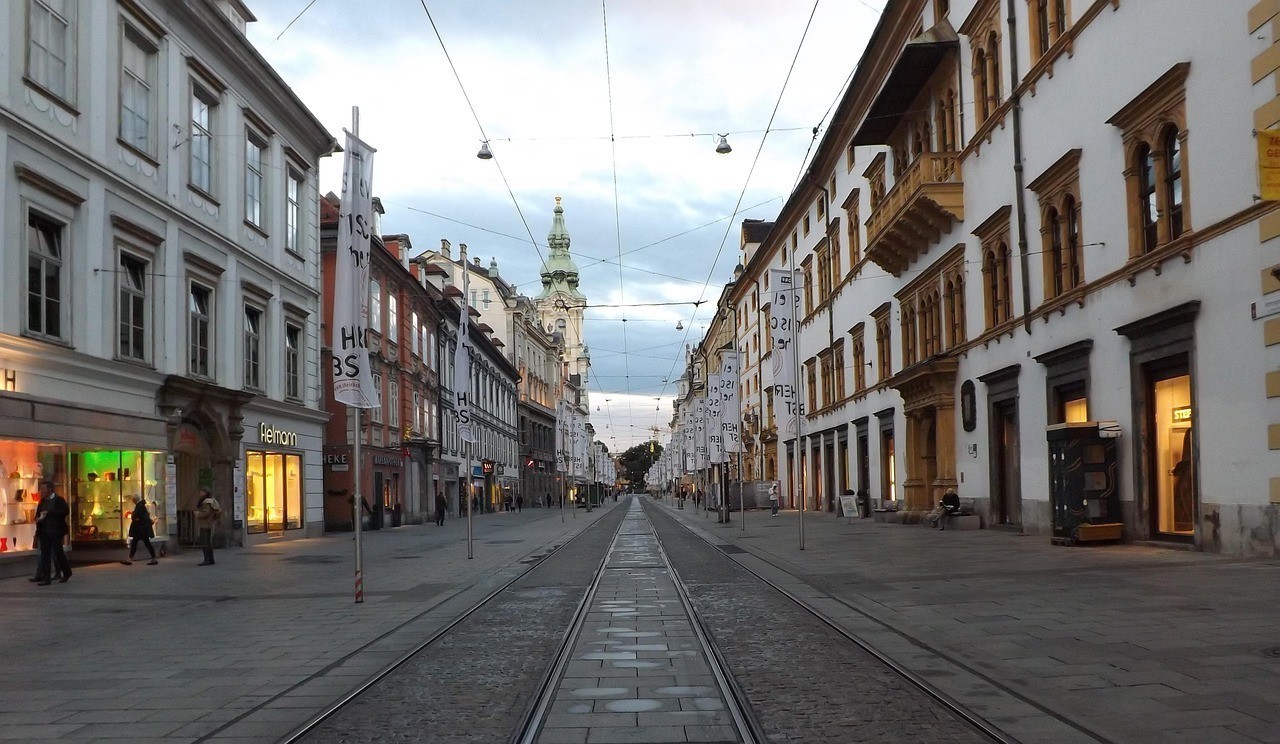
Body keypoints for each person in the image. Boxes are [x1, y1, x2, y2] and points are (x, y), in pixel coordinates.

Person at [33, 479, 71, 585]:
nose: (41, 491)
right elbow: (37, 515)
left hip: (56, 531)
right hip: (44, 531)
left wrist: (50, 512)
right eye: (41, 489)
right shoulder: (42, 501)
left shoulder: (59, 500)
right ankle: (46, 578)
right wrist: (38, 519)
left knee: (58, 552)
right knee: (45, 554)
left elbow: (65, 512)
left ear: (50, 489)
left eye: (43, 489)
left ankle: (66, 572)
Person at [122, 496, 158, 565]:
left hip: (140, 529)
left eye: (132, 501)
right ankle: (153, 558)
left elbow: (134, 516)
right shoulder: (141, 506)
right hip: (141, 529)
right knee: (139, 543)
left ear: (134, 501)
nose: (132, 502)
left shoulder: (140, 506)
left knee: (138, 543)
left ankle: (130, 559)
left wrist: (135, 517)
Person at [194, 487, 221, 566]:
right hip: (210, 523)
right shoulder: (212, 500)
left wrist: (197, 514)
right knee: (209, 541)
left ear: (205, 493)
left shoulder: (206, 502)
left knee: (205, 541)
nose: (200, 493)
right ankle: (211, 559)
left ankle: (207, 559)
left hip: (205, 523)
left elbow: (206, 512)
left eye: (201, 491)